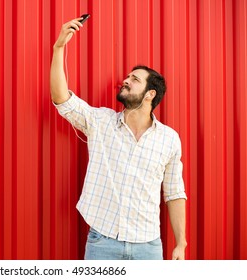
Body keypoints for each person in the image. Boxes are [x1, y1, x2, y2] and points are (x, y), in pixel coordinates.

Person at [50, 17, 187, 260]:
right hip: (102, 243)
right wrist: (58, 47)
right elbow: (62, 98)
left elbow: (174, 192)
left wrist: (181, 243)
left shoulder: (169, 139)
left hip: (149, 247)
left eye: (135, 79)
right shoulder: (101, 122)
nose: (126, 80)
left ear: (150, 94)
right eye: (127, 77)